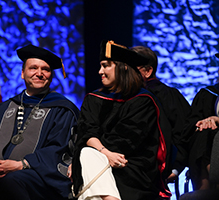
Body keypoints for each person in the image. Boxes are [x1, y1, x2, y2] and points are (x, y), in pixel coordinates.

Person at [0, 44, 79, 200]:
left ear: (51, 75)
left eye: (45, 69)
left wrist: (21, 164)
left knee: (11, 181)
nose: (39, 73)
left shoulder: (63, 110)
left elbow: (58, 150)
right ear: (23, 73)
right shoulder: (4, 108)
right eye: (33, 68)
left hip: (37, 178)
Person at [71, 40, 171, 200]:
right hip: (102, 160)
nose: (99, 71)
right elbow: (85, 133)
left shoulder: (143, 100)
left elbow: (125, 142)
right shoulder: (93, 99)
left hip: (130, 167)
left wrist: (97, 148)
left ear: (123, 67)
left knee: (88, 157)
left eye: (106, 65)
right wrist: (105, 153)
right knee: (87, 154)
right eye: (100, 66)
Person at [130, 46, 191, 183]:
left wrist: (175, 168)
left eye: (131, 68)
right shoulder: (121, 97)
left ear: (147, 71)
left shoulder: (166, 96)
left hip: (157, 172)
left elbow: (183, 131)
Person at [184, 52, 219, 191]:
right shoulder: (208, 93)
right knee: (203, 133)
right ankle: (204, 190)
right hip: (208, 144)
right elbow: (190, 123)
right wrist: (203, 123)